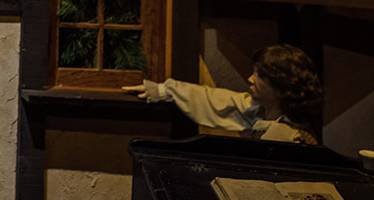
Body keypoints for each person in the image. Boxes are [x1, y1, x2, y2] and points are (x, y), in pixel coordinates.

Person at [123, 43, 323, 144]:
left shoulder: (285, 136)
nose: (250, 79)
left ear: (280, 87)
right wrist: (163, 90)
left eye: (259, 76)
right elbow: (214, 100)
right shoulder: (258, 110)